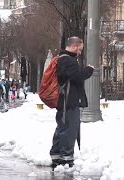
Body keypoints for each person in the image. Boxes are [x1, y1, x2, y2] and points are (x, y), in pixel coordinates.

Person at [49, 37, 94, 168]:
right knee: (70, 129)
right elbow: (77, 77)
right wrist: (88, 70)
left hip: (63, 100)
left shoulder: (60, 59)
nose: (80, 52)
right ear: (74, 46)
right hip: (70, 100)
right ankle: (66, 158)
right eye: (79, 49)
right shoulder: (69, 61)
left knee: (62, 127)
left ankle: (56, 155)